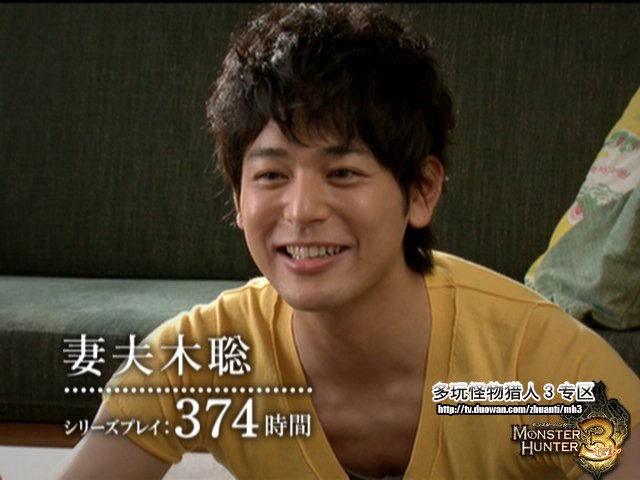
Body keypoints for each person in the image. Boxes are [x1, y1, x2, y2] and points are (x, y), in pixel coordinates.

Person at [59, 3, 640, 479]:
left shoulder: (525, 372)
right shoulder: (203, 361)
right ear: (237, 198)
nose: (302, 210)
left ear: (421, 191)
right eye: (271, 175)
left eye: (343, 172)